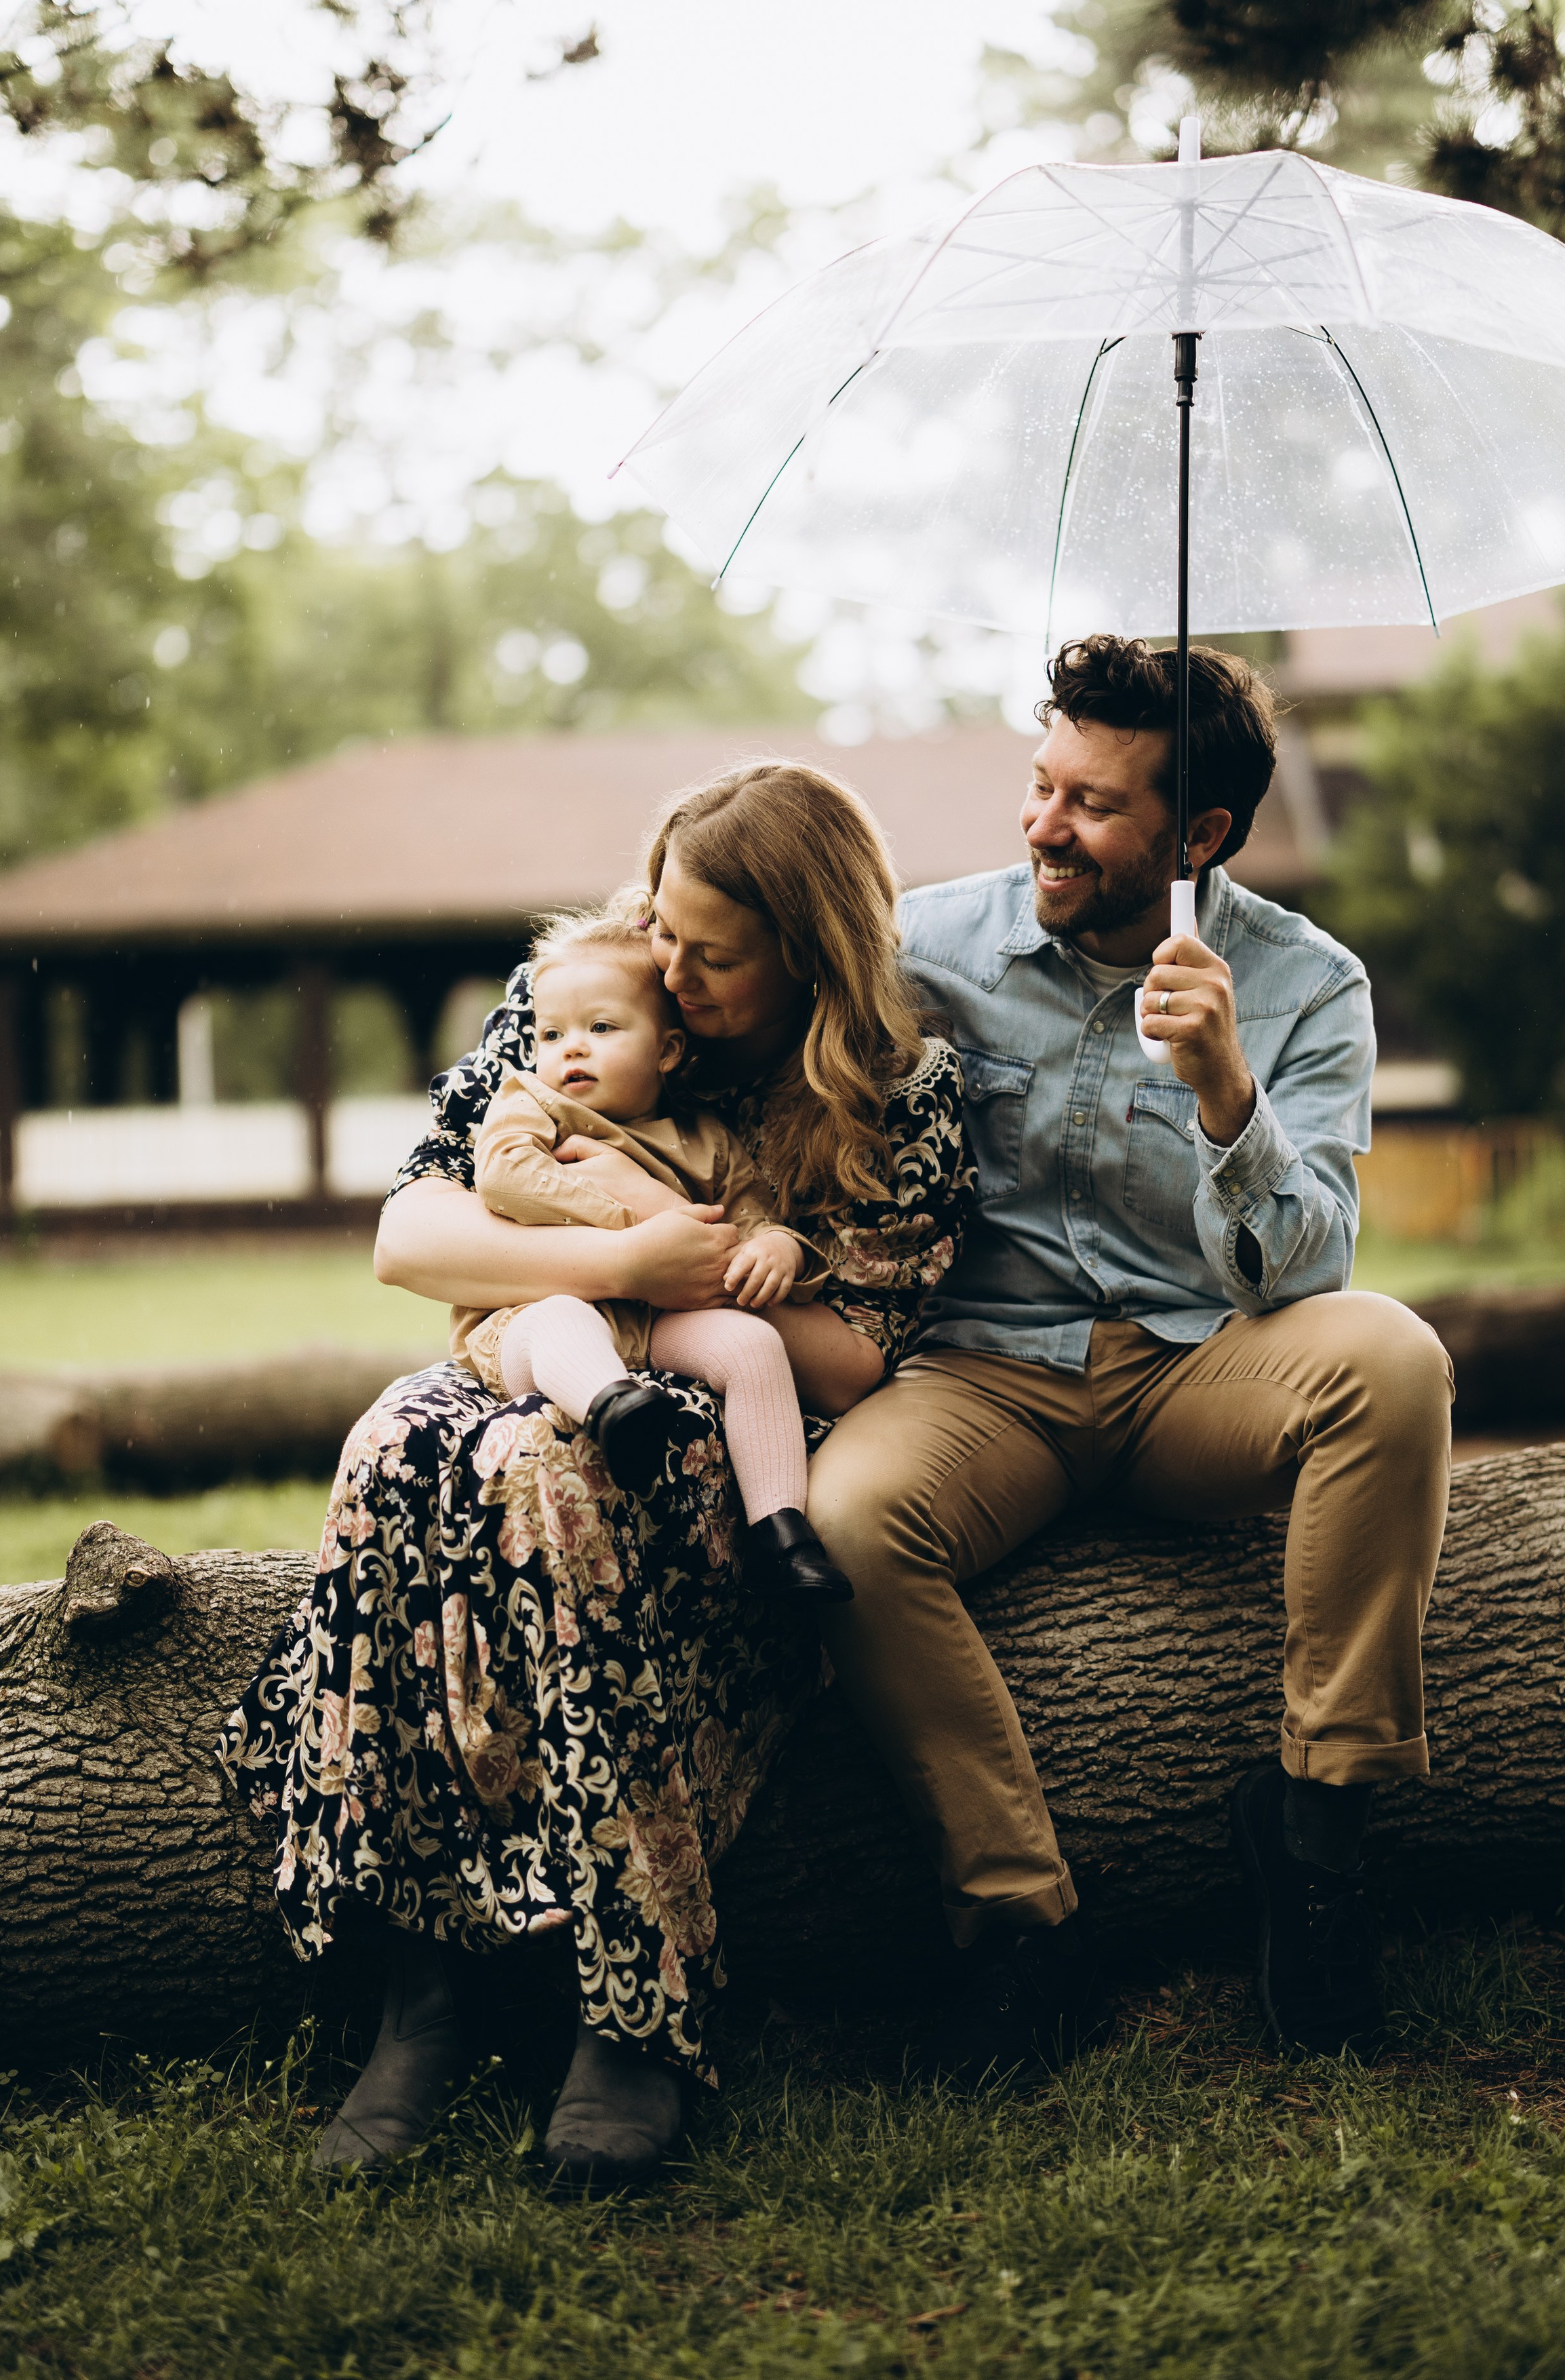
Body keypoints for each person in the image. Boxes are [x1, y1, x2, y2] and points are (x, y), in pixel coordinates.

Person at [218, 758, 973, 2187]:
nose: (670, 971)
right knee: (394, 1443)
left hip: (732, 1411)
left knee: (551, 1484)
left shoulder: (900, 1090)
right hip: (551, 1336)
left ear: (809, 956)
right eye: (665, 931)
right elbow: (412, 1238)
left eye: (713, 954)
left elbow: (859, 1354)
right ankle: (421, 1987)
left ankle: (633, 2003)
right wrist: (619, 1255)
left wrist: (740, 1279)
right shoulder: (590, 984)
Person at [808, 634, 1453, 2075]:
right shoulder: (922, 947)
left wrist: (1225, 1089)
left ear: (1200, 835)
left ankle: (1316, 1832)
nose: (1044, 824)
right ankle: (1020, 1923)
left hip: (1191, 1373)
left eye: (1093, 806)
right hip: (984, 1378)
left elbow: (1311, 1271)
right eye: (1041, 785)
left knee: (1390, 1356)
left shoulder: (1306, 984)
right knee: (845, 1527)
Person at [452, 904, 850, 1601]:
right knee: (562, 1323)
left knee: (753, 1344)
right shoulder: (532, 1105)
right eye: (552, 1034)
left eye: (601, 1029)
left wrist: (779, 1249)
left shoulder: (703, 1138)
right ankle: (613, 1410)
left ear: (667, 1050)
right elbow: (505, 1174)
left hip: (657, 1319)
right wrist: (631, 1223)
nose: (570, 1049)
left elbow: (748, 1214)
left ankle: (782, 1532)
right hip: (534, 1317)